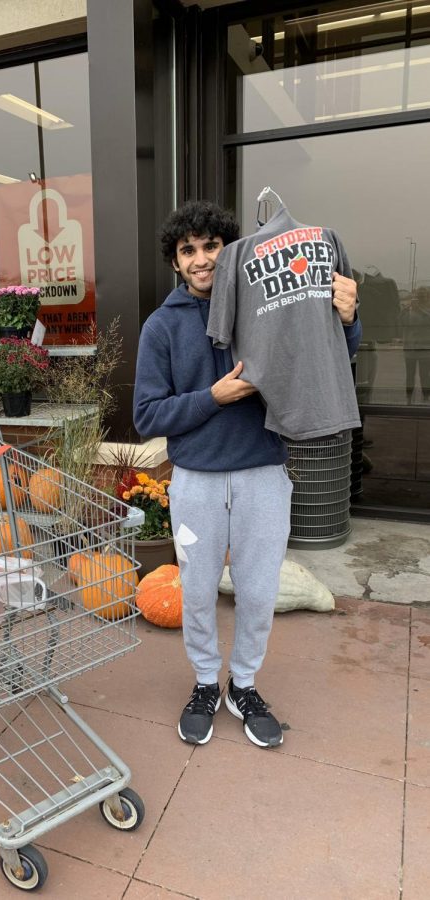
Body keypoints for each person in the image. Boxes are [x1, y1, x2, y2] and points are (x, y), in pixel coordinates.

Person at [133, 200, 361, 749]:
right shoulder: (162, 327)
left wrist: (347, 319)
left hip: (263, 473)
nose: (201, 258)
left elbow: (324, 357)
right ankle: (206, 682)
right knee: (196, 589)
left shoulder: (268, 305)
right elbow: (146, 415)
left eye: (211, 246)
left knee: (258, 592)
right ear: (175, 262)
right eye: (188, 250)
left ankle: (245, 685)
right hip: (196, 481)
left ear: (231, 250)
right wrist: (212, 398)